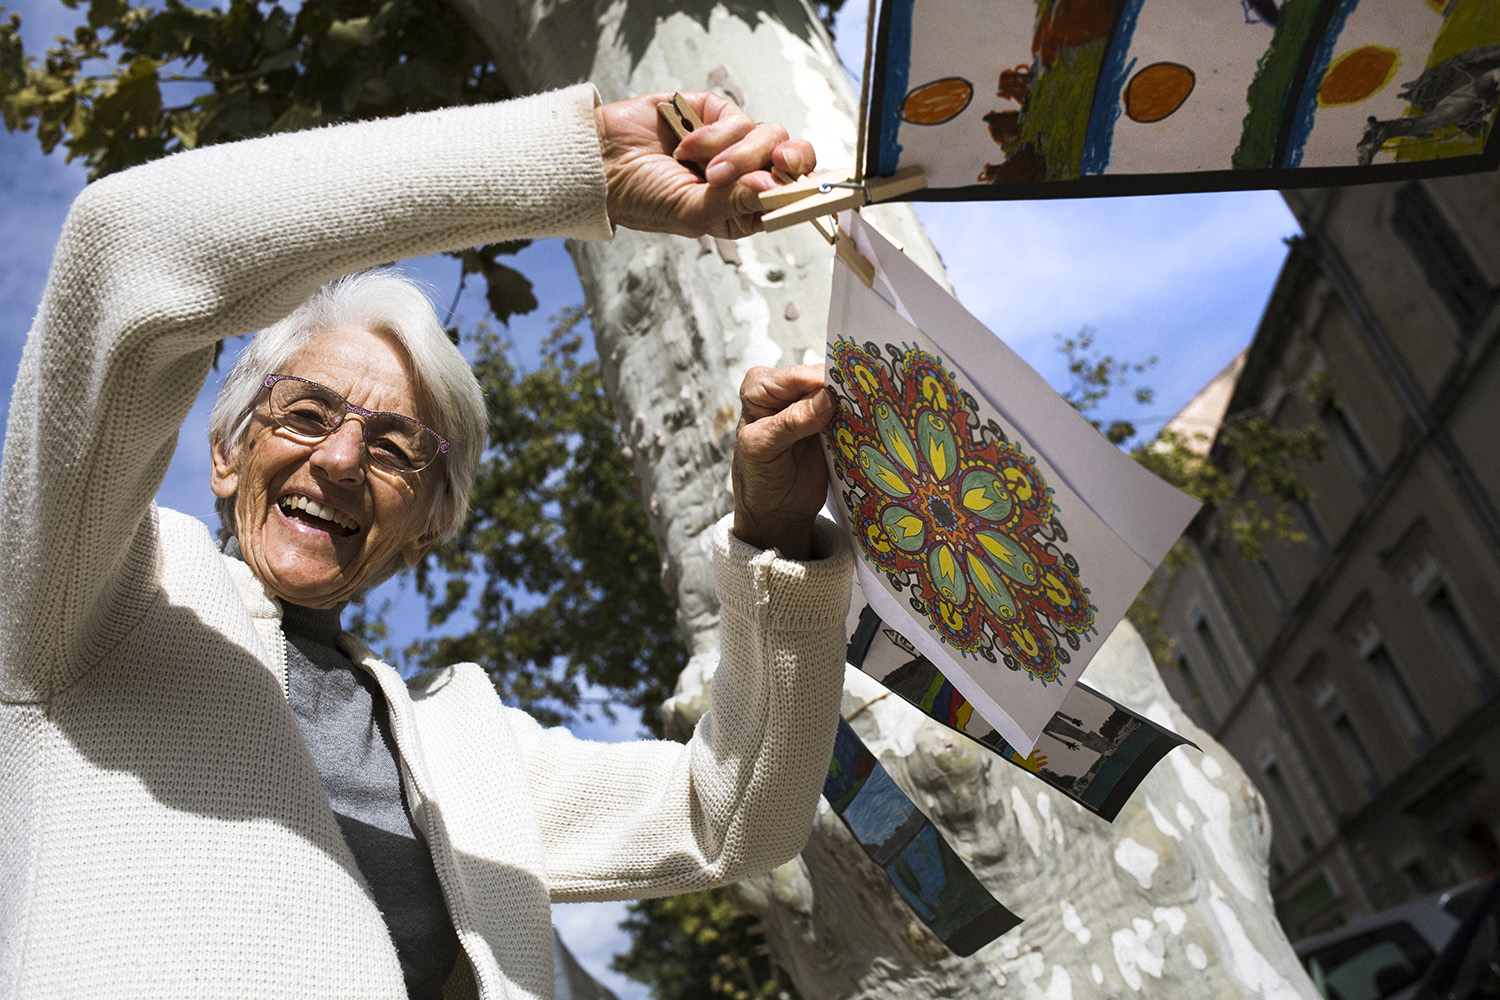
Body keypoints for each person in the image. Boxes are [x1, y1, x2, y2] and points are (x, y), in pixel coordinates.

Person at [0, 86, 852, 999]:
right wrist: (580, 163)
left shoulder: (466, 750)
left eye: (398, 447)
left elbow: (732, 817)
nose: (339, 460)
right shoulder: (96, 595)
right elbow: (130, 245)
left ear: (424, 532)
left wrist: (775, 540)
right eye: (305, 412)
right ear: (224, 452)